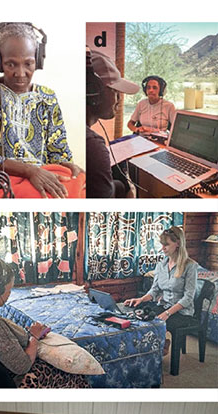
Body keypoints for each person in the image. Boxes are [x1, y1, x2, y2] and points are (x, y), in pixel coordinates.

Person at [0, 23, 83, 198]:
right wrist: (29, 171)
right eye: (11, 64)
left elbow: (58, 150)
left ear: (37, 60)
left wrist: (68, 166)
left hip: (41, 175)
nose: (20, 73)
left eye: (28, 64)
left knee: (78, 183)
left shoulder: (48, 97)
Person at [0, 257, 90, 388]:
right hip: (1, 382)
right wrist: (35, 336)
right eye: (9, 290)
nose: (9, 294)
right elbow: (23, 366)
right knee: (71, 373)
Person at [123, 226, 197, 355]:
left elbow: (188, 297)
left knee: (156, 323)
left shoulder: (190, 266)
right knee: (140, 317)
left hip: (182, 313)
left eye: (166, 245)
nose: (162, 248)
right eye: (162, 244)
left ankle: (160, 346)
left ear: (178, 243)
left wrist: (167, 314)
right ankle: (151, 350)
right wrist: (140, 299)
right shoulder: (161, 265)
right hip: (164, 306)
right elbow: (154, 290)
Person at [85, 49, 140, 198]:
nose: (119, 99)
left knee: (119, 184)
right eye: (114, 91)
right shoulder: (92, 145)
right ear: (93, 91)